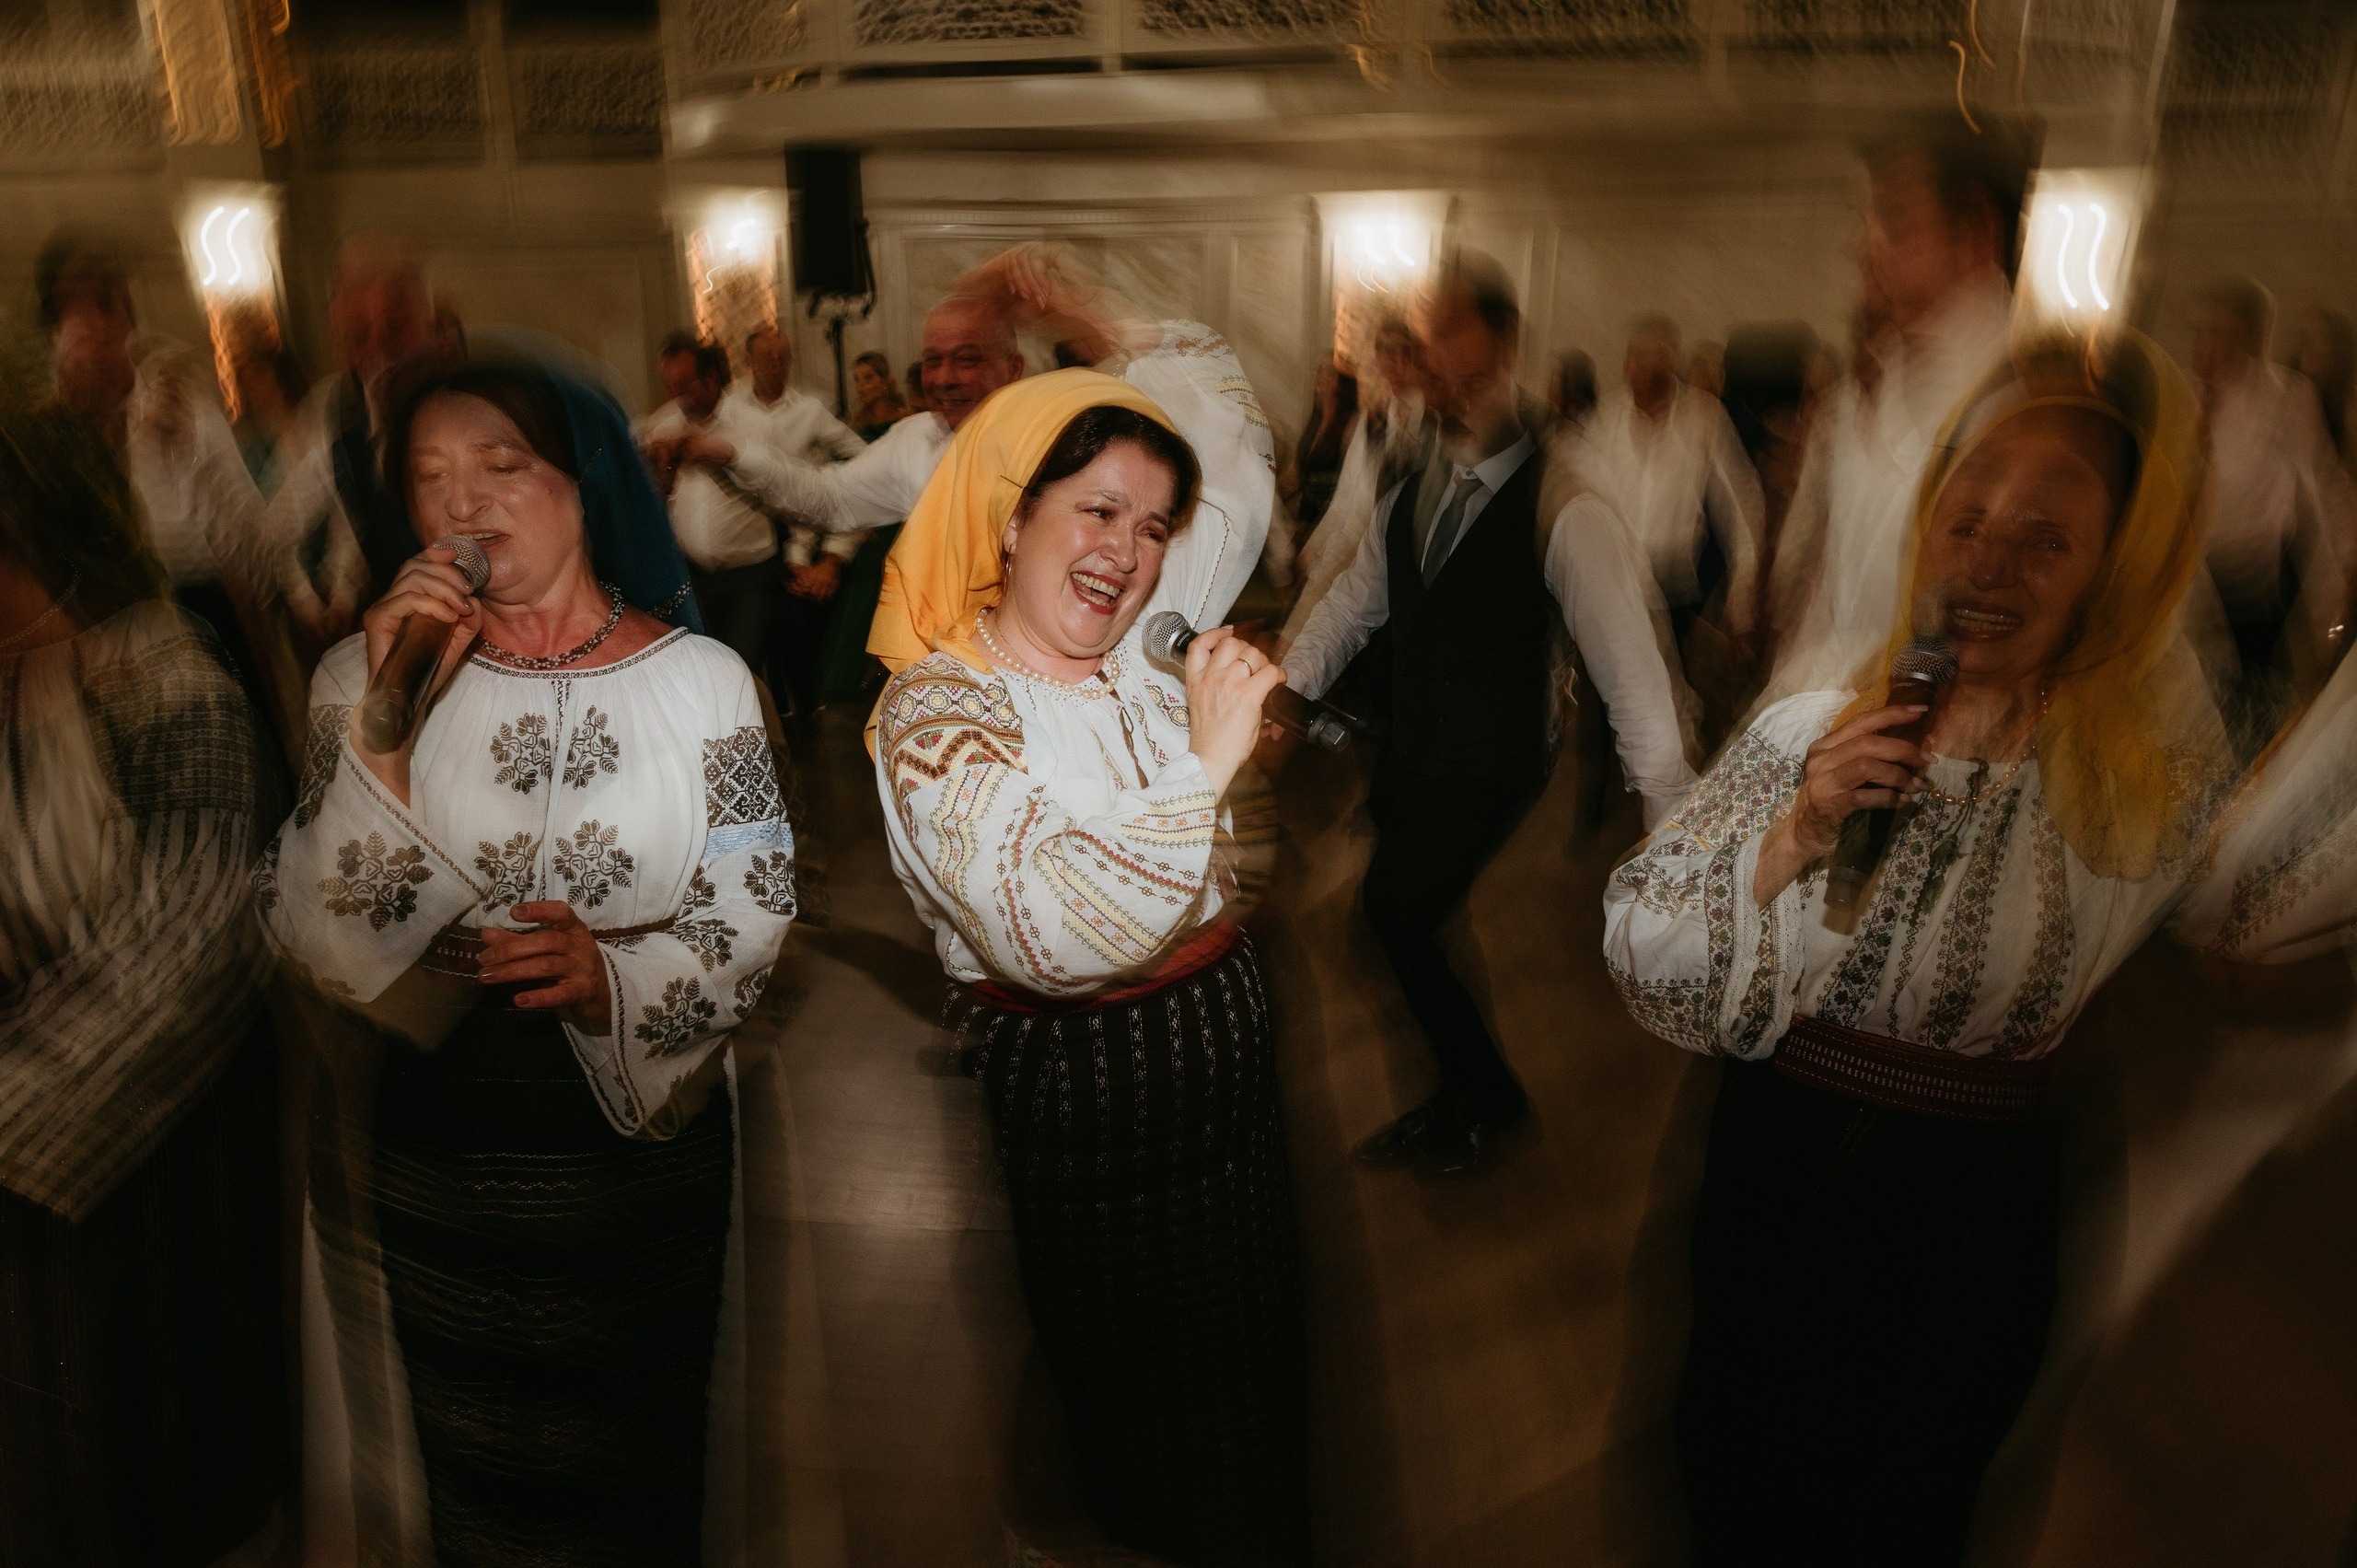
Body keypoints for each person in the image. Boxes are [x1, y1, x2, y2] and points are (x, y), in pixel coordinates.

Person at [1603, 329, 2357, 1567]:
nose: (1987, 560)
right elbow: (1647, 949)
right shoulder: (1818, 713)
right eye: (1967, 518)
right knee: (1734, 1472)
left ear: (2116, 569)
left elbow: (2261, 918)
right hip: (1781, 1164)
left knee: (1916, 1498)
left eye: (2046, 538)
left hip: (1980, 1208)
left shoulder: (2144, 772)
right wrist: (1796, 829)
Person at [258, 359, 790, 1564]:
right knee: (474, 1447)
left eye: (502, 464)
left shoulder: (705, 682)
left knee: (636, 1443)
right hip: (444, 1120)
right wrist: (388, 727)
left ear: (587, 480)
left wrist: (619, 976)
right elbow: (320, 930)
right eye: (429, 476)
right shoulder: (358, 675)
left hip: (635, 1121)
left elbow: (752, 907)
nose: (462, 502)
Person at [869, 368, 1306, 1567]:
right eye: (1098, 509)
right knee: (1143, 1401)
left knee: (1254, 1378)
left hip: (1232, 1099)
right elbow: (1051, 930)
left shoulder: (1146, 675)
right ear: (1013, 518)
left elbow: (1228, 863)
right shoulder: (936, 708)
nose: (1128, 549)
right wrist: (1206, 766)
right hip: (1095, 1100)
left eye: (1154, 526)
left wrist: (1231, 771)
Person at [1282, 252, 1698, 1177]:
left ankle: (1487, 1096)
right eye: (1419, 337)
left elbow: (1633, 673)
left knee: (1391, 916)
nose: (1423, 354)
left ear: (1502, 344)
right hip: (1415, 747)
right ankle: (1467, 1088)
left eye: (1444, 333)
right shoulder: (1414, 475)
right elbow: (1355, 600)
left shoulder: (1563, 496)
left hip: (1494, 757)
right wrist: (1288, 680)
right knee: (1410, 916)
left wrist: (1669, 833)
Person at [0, 403, 286, 1567]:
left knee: (136, 1469)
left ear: (48, 546)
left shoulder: (172, 690)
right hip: (30, 1159)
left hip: (144, 1163)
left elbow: (186, 944)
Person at [687, 242, 1275, 639]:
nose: (945, 378)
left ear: (1013, 367)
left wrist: (1085, 310)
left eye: (967, 359)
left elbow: (1211, 423)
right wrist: (733, 453)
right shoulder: (917, 442)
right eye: (933, 361)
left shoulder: (1071, 438)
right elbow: (829, 499)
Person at [1768, 118, 2034, 700]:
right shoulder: (1866, 394)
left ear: (1976, 234)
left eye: (1893, 218)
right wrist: (1773, 737)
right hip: (1830, 719)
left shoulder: (2027, 409)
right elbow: (1826, 619)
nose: (1860, 244)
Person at [37, 232, 275, 697]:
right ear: (55, 333)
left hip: (200, 625)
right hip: (98, 649)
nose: (95, 329)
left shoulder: (184, 412)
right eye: (74, 312)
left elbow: (250, 530)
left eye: (105, 305)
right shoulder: (46, 445)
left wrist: (180, 458)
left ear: (126, 319)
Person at [245, 238, 444, 652]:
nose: (377, 354)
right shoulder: (337, 413)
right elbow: (293, 525)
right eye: (358, 336)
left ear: (430, 323)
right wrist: (318, 602)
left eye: (395, 330)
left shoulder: (474, 398)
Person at [2187, 276, 2357, 741]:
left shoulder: (2283, 397)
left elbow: (2321, 495)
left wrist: (2330, 606)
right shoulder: (2183, 397)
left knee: (2247, 713)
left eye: (2219, 332)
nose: (2205, 345)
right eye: (2199, 330)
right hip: (2190, 581)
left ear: (2250, 338)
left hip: (2253, 586)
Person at [1575, 313, 1767, 641]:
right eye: (1639, 358)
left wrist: (1742, 595)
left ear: (1672, 362)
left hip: (1674, 593)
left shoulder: (1703, 417)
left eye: (1658, 359)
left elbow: (1740, 502)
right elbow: (1580, 502)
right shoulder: (1604, 422)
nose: (1647, 370)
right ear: (1626, 364)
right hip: (1613, 586)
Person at [640, 331, 802, 673]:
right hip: (692, 577)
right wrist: (662, 474)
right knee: (699, 669)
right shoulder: (662, 426)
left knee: (739, 667)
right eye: (670, 387)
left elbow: (790, 491)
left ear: (712, 376)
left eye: (686, 386)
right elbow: (655, 500)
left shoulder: (756, 425)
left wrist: (724, 457)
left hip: (750, 576)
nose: (677, 397)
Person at [1282, 351, 1357, 534]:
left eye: (1329, 372)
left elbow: (1347, 491)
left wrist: (1315, 533)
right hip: (1303, 520)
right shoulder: (1316, 420)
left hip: (1327, 527)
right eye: (1319, 371)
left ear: (1343, 383)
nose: (1321, 377)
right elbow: (1295, 474)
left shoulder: (1350, 425)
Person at [2290, 305, 2355, 462]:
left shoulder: (2351, 409)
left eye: (2320, 335)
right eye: (2302, 334)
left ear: (2339, 346)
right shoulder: (2286, 397)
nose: (2307, 342)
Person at [850, 347, 915, 436]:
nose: (860, 386)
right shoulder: (858, 422)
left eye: (868, 377)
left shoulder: (902, 417)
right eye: (857, 379)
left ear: (884, 380)